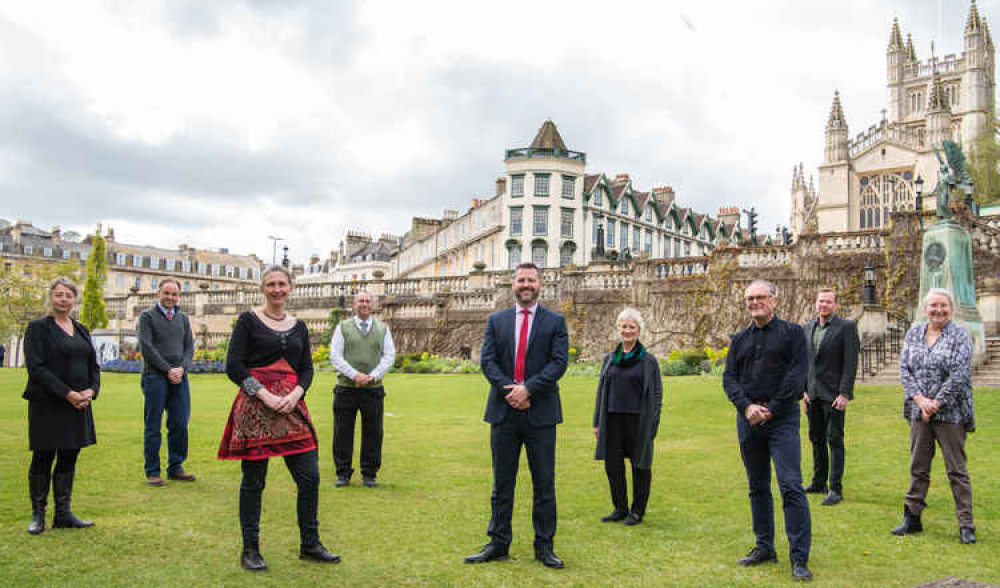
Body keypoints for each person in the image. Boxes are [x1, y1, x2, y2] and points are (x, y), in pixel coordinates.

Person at [219, 265, 340, 571]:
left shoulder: (298, 326)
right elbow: (234, 365)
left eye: (281, 284)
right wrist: (265, 394)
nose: (276, 289)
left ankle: (310, 545)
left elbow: (307, 368)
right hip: (256, 410)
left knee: (309, 477)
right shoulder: (248, 321)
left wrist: (296, 394)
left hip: (291, 408)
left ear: (291, 288)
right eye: (271, 284)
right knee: (254, 481)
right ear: (263, 289)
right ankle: (250, 550)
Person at [465, 262, 569, 569]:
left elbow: (559, 362)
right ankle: (498, 543)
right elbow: (488, 361)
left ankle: (544, 546)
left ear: (540, 284)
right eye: (521, 280)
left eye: (531, 280)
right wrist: (510, 390)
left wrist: (529, 390)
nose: (526, 285)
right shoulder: (496, 321)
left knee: (544, 484)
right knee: (502, 484)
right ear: (513, 284)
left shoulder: (555, 322)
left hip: (541, 413)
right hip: (504, 412)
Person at [723, 279, 812, 582]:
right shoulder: (739, 340)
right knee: (757, 487)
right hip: (748, 421)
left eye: (760, 297)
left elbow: (797, 375)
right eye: (749, 298)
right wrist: (747, 407)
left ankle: (799, 557)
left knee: (790, 486)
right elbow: (729, 379)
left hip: (782, 420)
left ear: (775, 300)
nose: (754, 303)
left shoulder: (793, 334)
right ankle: (764, 546)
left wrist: (771, 408)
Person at [892, 288, 976, 544]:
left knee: (956, 469)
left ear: (950, 308)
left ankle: (966, 524)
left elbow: (960, 374)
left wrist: (936, 403)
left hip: (951, 412)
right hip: (919, 411)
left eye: (943, 306)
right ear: (925, 309)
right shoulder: (914, 333)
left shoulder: (960, 335)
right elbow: (904, 369)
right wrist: (920, 400)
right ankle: (912, 518)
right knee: (918, 466)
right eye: (933, 306)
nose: (938, 310)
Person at [22, 277, 99, 535]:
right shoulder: (37, 329)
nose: (63, 299)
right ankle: (38, 515)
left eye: (68, 295)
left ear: (73, 299)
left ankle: (63, 513)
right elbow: (36, 368)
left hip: (78, 405)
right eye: (58, 294)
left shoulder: (82, 330)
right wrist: (67, 393)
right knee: (43, 457)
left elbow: (93, 366)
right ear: (51, 297)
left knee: (69, 456)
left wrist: (91, 390)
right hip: (49, 404)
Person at [592, 307, 663, 526]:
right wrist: (596, 422)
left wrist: (653, 423)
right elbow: (601, 390)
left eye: (631, 327)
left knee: (640, 465)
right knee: (613, 466)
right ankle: (620, 508)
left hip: (638, 421)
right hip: (611, 419)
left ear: (639, 330)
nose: (627, 330)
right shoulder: (610, 359)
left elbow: (657, 394)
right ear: (618, 329)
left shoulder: (648, 361)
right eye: (624, 326)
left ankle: (637, 511)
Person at [329, 291, 395, 488]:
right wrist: (354, 375)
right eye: (360, 301)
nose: (364, 304)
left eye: (367, 301)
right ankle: (343, 473)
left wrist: (372, 376)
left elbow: (389, 356)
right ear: (354, 304)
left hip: (373, 389)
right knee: (342, 432)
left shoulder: (383, 329)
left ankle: (369, 474)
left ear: (372, 304)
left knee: (374, 432)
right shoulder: (343, 327)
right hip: (346, 388)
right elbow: (335, 356)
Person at [802, 288, 860, 506]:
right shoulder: (808, 327)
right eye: (820, 301)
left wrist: (845, 393)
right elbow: (804, 362)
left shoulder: (846, 328)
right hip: (812, 395)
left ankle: (835, 488)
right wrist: (803, 391)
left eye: (828, 302)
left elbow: (850, 362)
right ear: (816, 303)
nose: (823, 305)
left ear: (835, 305)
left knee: (834, 440)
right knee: (816, 439)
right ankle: (818, 482)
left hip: (834, 395)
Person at [137, 278, 196, 486]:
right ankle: (152, 471)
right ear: (158, 293)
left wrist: (181, 368)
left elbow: (189, 348)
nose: (170, 297)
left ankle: (176, 467)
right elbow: (147, 348)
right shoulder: (147, 317)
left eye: (174, 294)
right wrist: (167, 369)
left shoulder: (182, 318)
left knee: (179, 423)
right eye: (166, 293)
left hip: (180, 377)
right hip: (155, 377)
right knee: (153, 425)